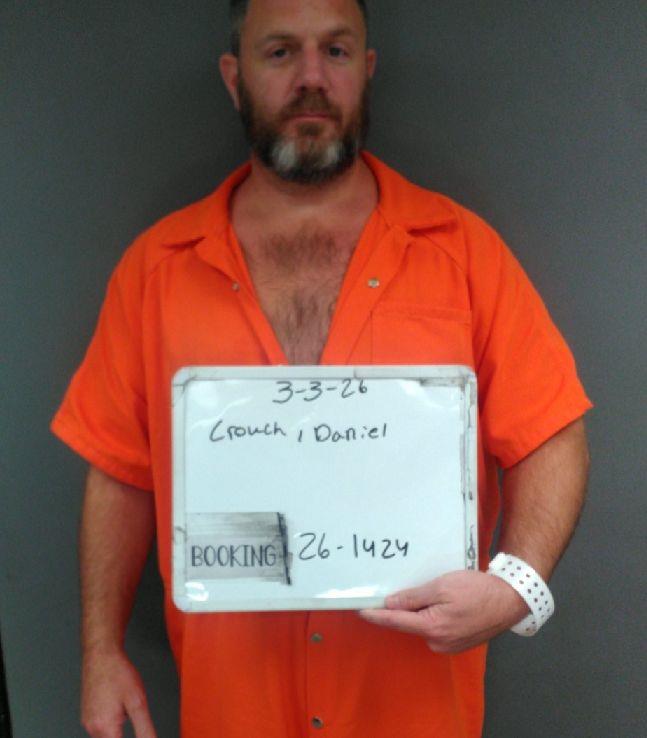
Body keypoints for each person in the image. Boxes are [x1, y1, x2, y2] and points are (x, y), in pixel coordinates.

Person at [51, 1, 592, 736]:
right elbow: (120, 470)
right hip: (233, 711)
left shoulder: (462, 252)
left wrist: (516, 587)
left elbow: (550, 433)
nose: (311, 77)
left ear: (365, 71)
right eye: (280, 52)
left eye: (335, 51)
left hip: (415, 712)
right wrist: (100, 651)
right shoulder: (156, 270)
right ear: (234, 77)